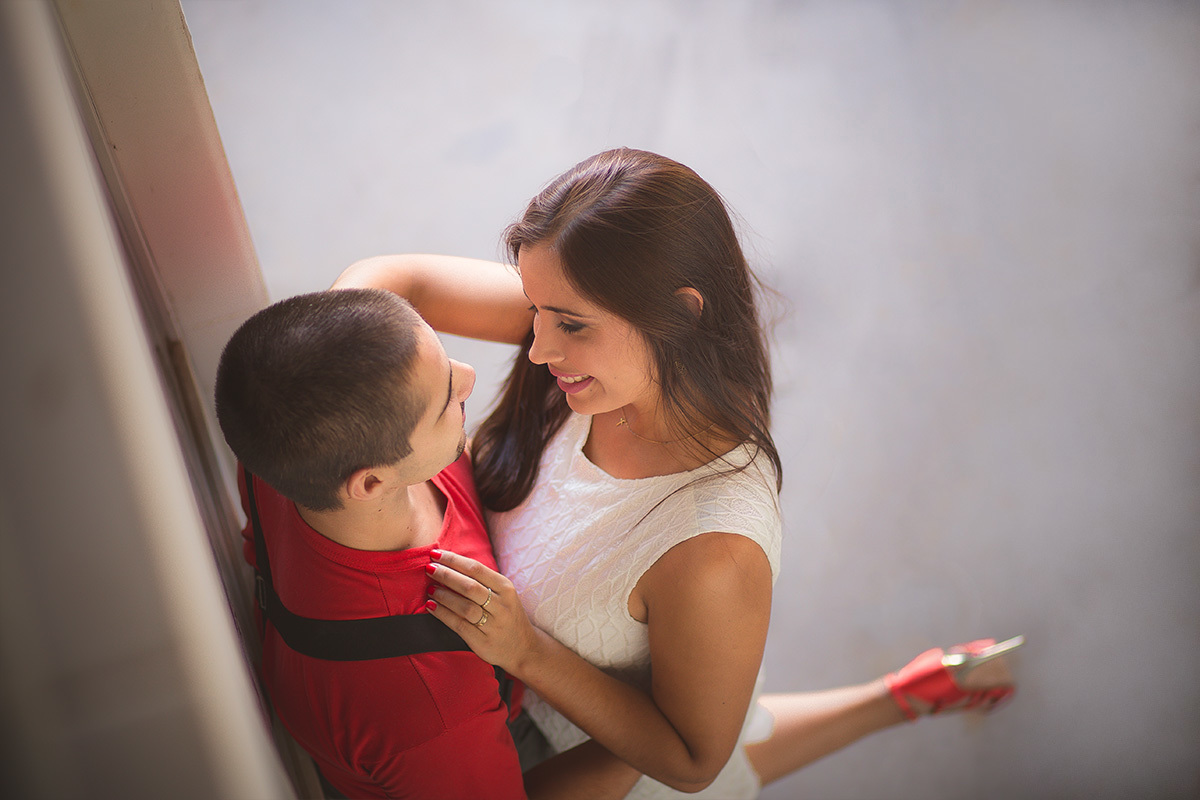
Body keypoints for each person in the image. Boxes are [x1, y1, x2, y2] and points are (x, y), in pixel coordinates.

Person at [333, 147, 1019, 798]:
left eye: (567, 324)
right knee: (739, 723)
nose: (536, 347)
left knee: (728, 750)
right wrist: (321, 367)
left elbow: (693, 761)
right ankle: (909, 691)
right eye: (533, 308)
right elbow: (396, 282)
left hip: (607, 765)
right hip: (523, 704)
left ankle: (904, 696)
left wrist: (527, 651)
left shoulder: (715, 545)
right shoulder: (586, 330)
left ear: (681, 312)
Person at [214, 289, 640, 800]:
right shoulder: (432, 708)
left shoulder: (282, 455)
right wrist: (652, 742)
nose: (468, 376)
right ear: (372, 482)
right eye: (444, 403)